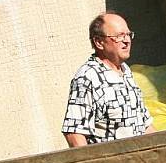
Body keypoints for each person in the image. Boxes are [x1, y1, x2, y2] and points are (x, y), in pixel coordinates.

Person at [62, 12, 154, 146]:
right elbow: (74, 132)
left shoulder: (125, 70)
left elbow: (144, 125)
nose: (127, 41)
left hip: (140, 162)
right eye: (119, 36)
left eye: (128, 35)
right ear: (99, 42)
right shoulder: (88, 78)